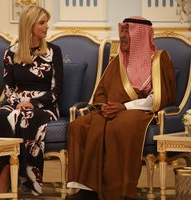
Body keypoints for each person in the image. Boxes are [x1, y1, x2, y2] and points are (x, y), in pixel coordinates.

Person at [65, 16, 176, 200]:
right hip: (111, 110)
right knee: (79, 126)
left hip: (139, 111)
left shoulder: (159, 59)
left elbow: (157, 97)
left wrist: (124, 107)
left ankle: (120, 191)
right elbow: (102, 91)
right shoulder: (118, 60)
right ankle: (85, 188)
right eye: (121, 30)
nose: (122, 36)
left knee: (121, 127)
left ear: (140, 34)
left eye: (127, 31)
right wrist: (105, 106)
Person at [0, 5, 63, 196]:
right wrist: (17, 101)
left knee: (28, 117)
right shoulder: (11, 52)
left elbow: (56, 89)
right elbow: (8, 86)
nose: (46, 27)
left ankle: (13, 180)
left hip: (45, 105)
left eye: (46, 22)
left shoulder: (54, 51)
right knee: (0, 117)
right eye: (42, 22)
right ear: (29, 25)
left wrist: (32, 103)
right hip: (16, 102)